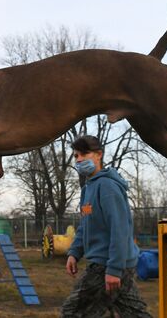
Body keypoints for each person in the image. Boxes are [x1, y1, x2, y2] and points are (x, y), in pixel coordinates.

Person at [61, 135, 151, 318]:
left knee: (72, 312)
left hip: (107, 264)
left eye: (84, 154)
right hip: (110, 263)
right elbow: (85, 225)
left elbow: (120, 230)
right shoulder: (88, 188)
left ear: (99, 155)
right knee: (131, 313)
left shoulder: (107, 186)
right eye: (76, 156)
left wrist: (114, 270)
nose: (79, 159)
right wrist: (74, 252)